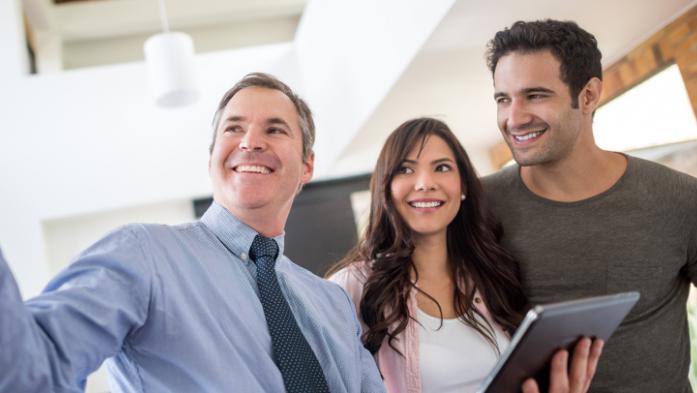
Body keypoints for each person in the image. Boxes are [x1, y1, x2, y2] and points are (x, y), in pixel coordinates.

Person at [0, 72, 385, 393]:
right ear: (212, 157)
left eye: (275, 129)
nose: (251, 142)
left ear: (307, 166)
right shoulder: (143, 255)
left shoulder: (333, 304)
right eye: (234, 128)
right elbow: (36, 369)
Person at [482, 19, 697, 393]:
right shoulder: (478, 206)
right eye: (503, 99)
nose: (513, 118)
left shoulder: (678, 198)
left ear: (588, 95)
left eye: (535, 95)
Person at [328, 117, 603, 393]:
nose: (425, 183)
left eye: (442, 167)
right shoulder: (348, 289)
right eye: (406, 170)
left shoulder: (487, 275)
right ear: (385, 187)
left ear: (463, 187)